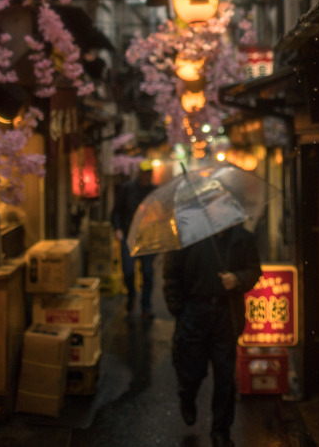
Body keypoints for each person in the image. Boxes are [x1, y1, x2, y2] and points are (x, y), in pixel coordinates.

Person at [163, 224, 262, 447]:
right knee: (191, 369)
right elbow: (171, 272)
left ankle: (221, 432)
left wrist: (238, 279)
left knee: (225, 376)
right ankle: (187, 396)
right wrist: (177, 308)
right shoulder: (189, 235)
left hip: (226, 313)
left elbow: (254, 270)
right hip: (193, 311)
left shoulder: (242, 238)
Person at [111, 159, 156, 318]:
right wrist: (118, 229)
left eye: (149, 173)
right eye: (144, 173)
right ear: (139, 173)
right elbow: (116, 211)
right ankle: (131, 297)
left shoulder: (154, 192)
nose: (147, 176)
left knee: (148, 273)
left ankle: (146, 306)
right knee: (128, 271)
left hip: (148, 239)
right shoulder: (127, 189)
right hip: (129, 237)